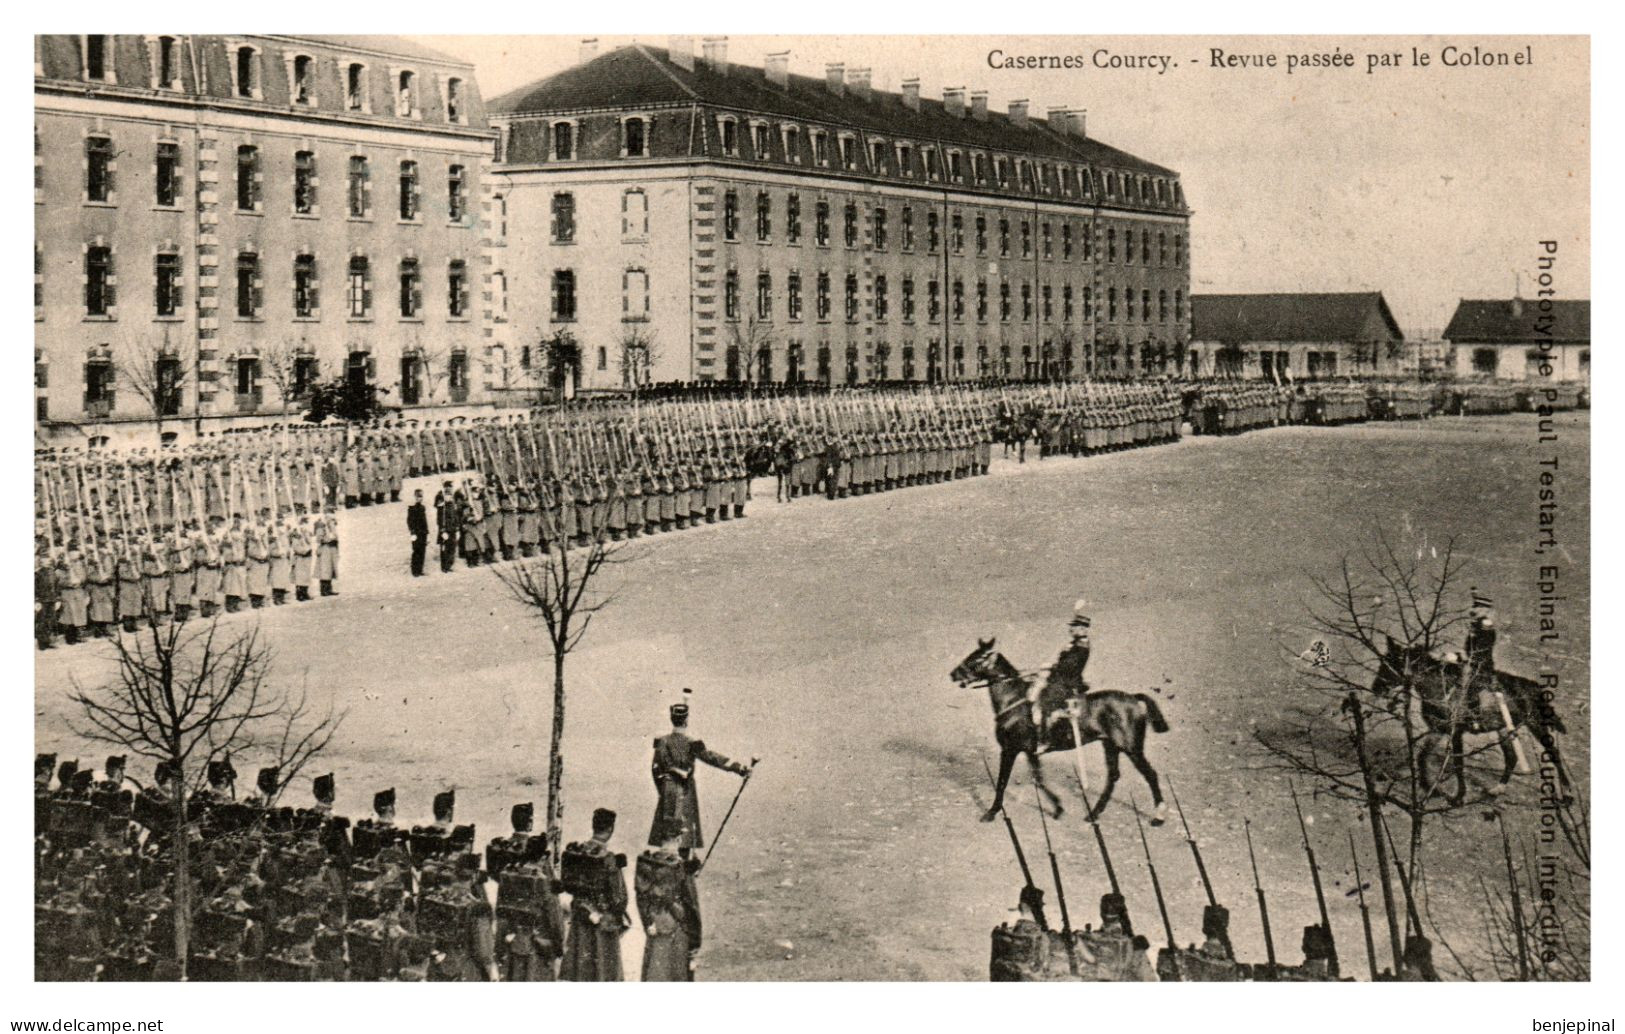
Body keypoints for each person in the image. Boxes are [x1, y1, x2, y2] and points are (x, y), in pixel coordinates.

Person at [649, 695, 755, 855]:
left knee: (667, 838)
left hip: (667, 793)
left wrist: (662, 790)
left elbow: (655, 769)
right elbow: (712, 758)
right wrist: (739, 768)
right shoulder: (692, 743)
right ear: (686, 720)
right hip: (686, 794)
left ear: (672, 719)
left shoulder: (662, 742)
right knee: (685, 840)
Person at [559, 808, 628, 982]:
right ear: (611, 829)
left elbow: (567, 884)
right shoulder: (608, 858)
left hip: (580, 920)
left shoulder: (576, 852)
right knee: (603, 973)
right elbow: (619, 899)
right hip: (602, 922)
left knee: (580, 971)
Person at [636, 824, 702, 981]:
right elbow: (692, 908)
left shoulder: (645, 863)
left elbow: (640, 897)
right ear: (678, 839)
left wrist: (647, 922)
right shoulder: (681, 868)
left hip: (654, 926)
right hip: (676, 929)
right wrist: (695, 942)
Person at [406, 490, 429, 577]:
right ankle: (415, 571)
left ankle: (420, 570)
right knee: (416, 551)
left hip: (423, 533)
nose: (419, 498)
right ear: (415, 497)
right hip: (416, 534)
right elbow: (409, 521)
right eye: (418, 496)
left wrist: (426, 531)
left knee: (422, 552)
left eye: (421, 497)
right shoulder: (412, 508)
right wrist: (412, 532)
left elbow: (425, 522)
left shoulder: (423, 507)